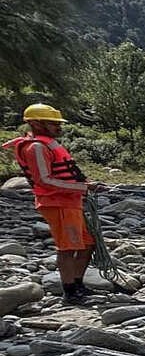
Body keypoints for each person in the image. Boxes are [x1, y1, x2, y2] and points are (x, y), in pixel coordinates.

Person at [3, 104, 103, 303]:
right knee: (67, 248)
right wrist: (84, 188)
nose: (58, 127)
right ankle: (70, 292)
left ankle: (78, 284)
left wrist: (85, 186)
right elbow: (44, 180)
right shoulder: (36, 147)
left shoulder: (47, 144)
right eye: (52, 123)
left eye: (58, 123)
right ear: (36, 124)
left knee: (88, 244)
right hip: (57, 203)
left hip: (69, 201)